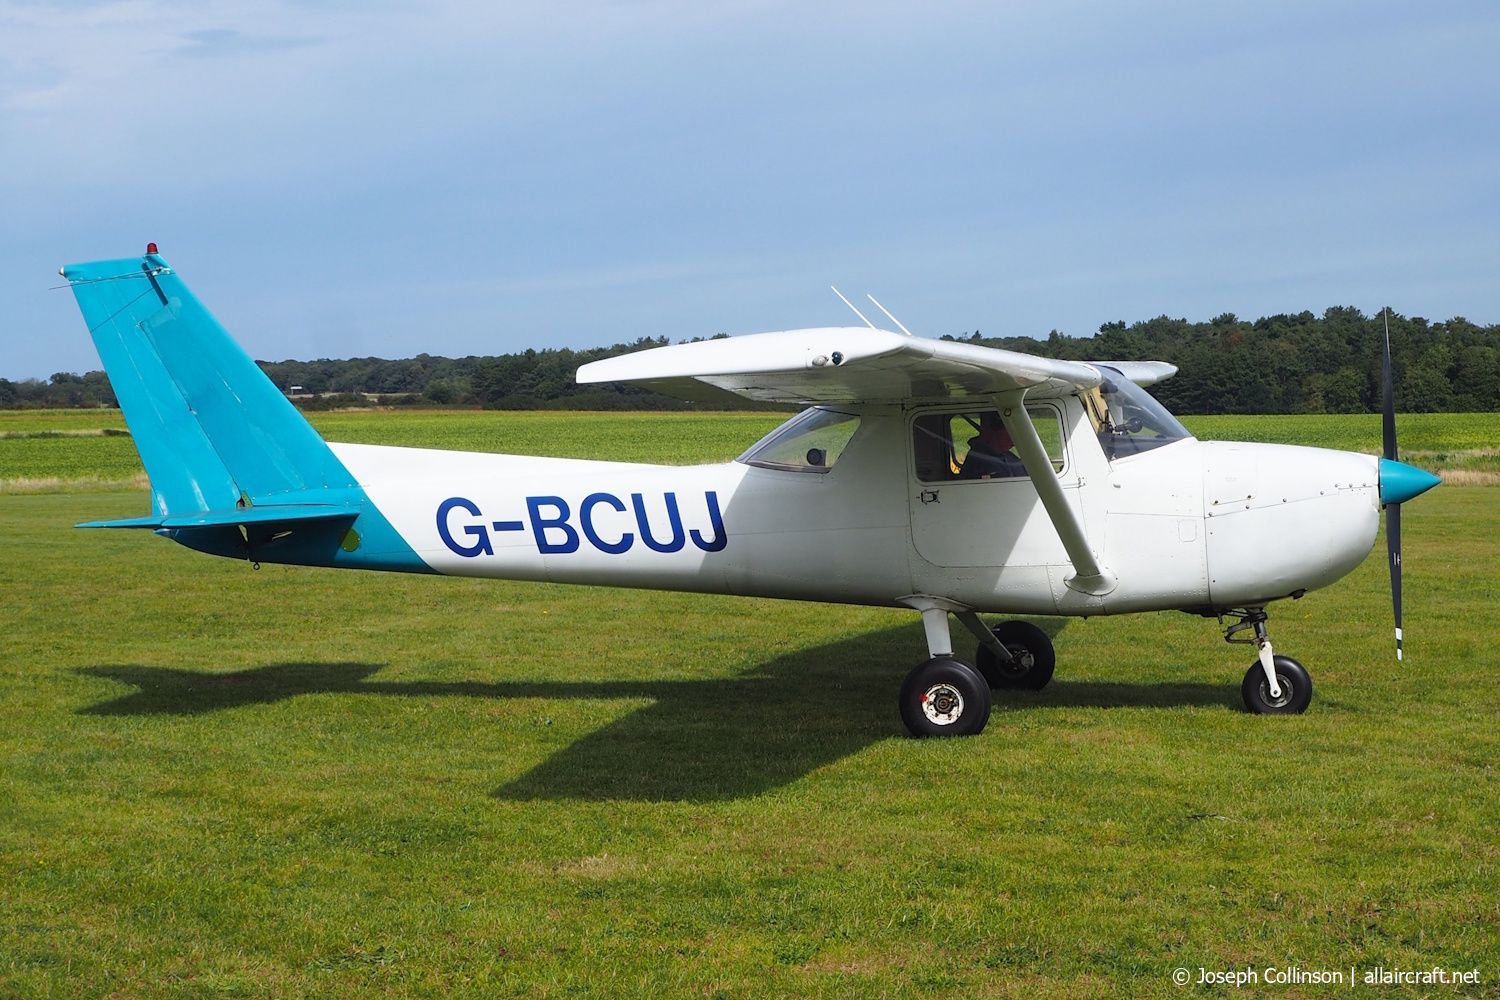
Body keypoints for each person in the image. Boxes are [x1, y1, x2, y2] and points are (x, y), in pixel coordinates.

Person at [959, 411, 1027, 479]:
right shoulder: (976, 461)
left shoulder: (1009, 456)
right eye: (1011, 433)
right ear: (988, 428)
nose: (1014, 440)